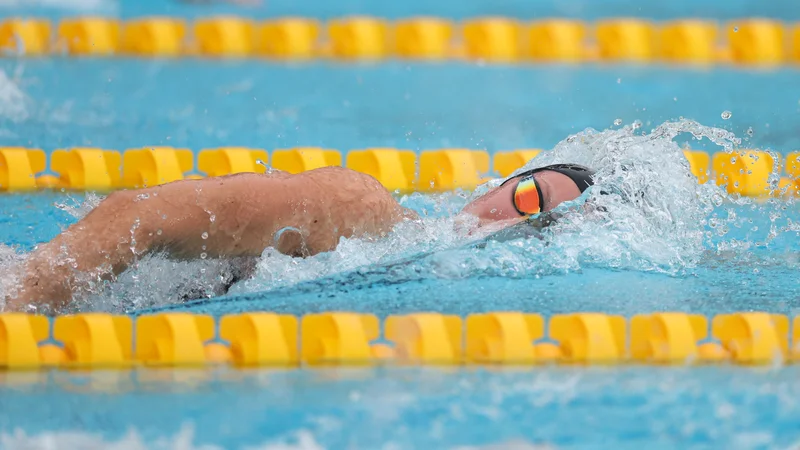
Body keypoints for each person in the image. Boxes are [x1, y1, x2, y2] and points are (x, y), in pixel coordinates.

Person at [2, 163, 594, 313]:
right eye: (527, 202)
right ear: (503, 183)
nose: (510, 228)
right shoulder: (359, 210)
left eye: (541, 232)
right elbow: (136, 216)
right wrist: (23, 299)